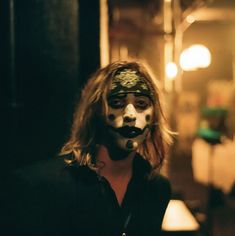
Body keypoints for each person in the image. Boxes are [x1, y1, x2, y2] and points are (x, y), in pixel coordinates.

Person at [1, 61, 173, 236]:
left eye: (142, 104)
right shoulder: (41, 186)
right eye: (117, 102)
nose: (130, 114)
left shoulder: (157, 189)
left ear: (154, 116)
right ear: (96, 112)